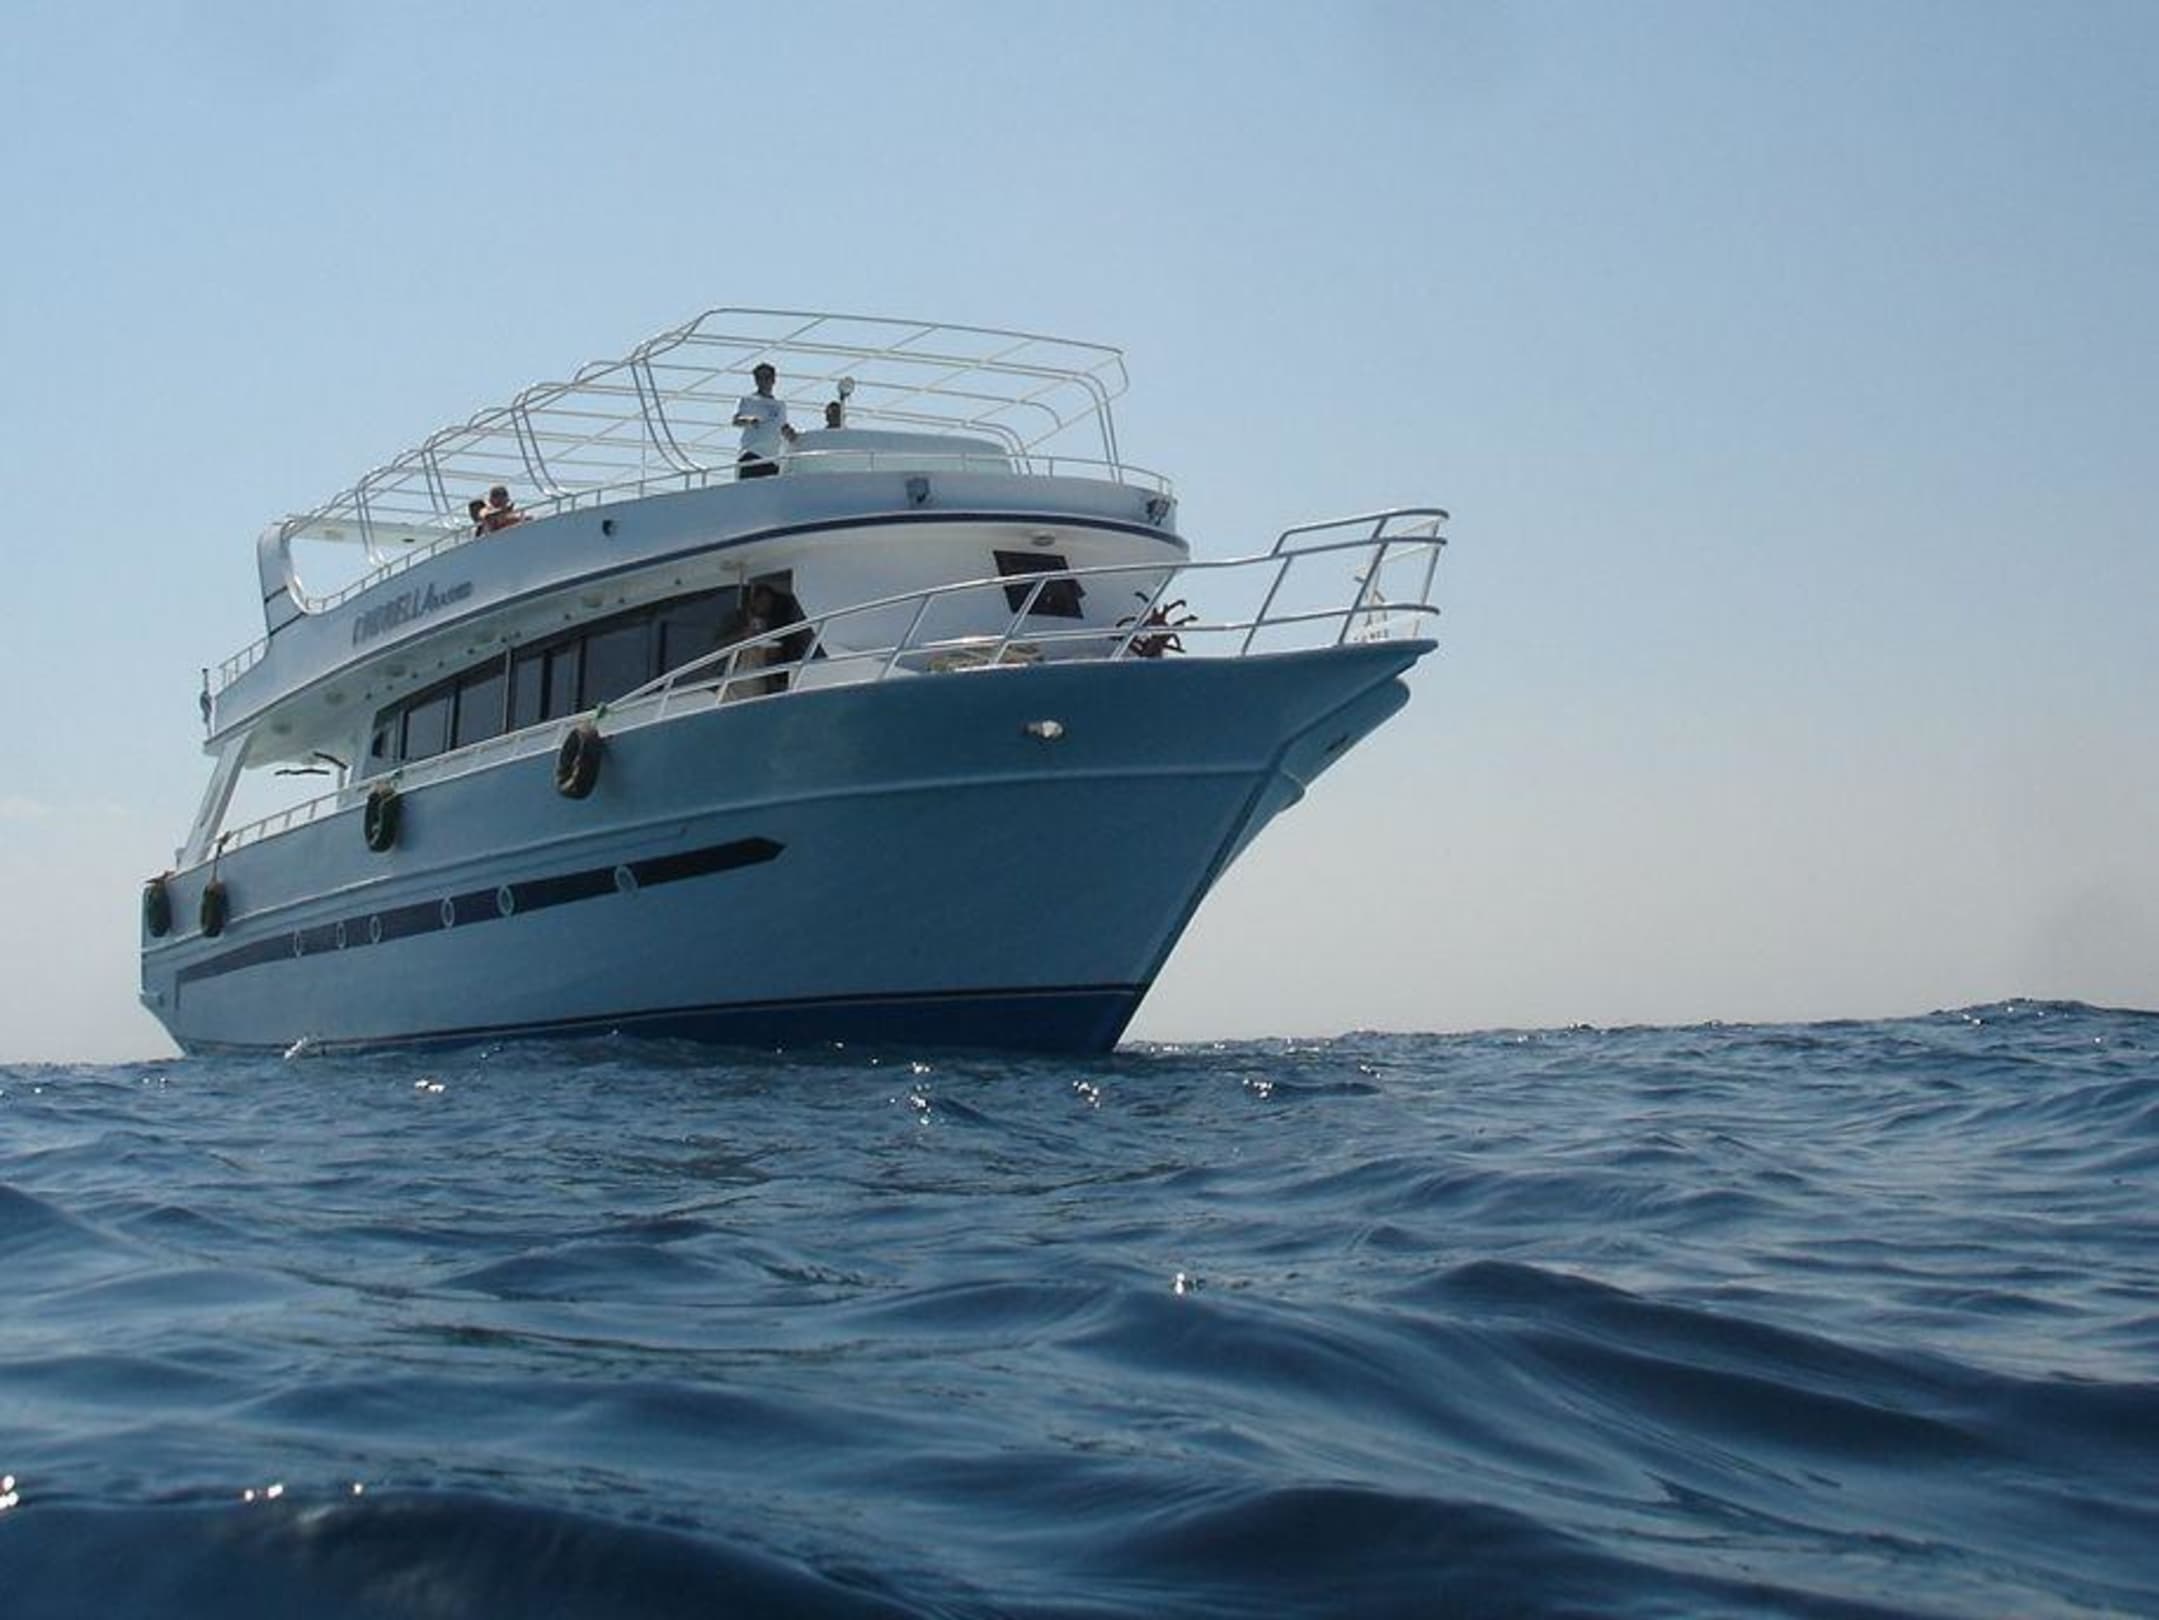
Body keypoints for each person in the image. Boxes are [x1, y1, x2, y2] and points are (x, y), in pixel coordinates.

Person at [732, 362, 797, 479]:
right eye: (759, 378)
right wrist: (749, 420)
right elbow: (736, 420)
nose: (763, 381)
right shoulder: (748, 400)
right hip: (752, 454)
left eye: (767, 377)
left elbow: (781, 426)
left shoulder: (780, 405)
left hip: (772, 458)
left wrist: (789, 432)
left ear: (773, 380)